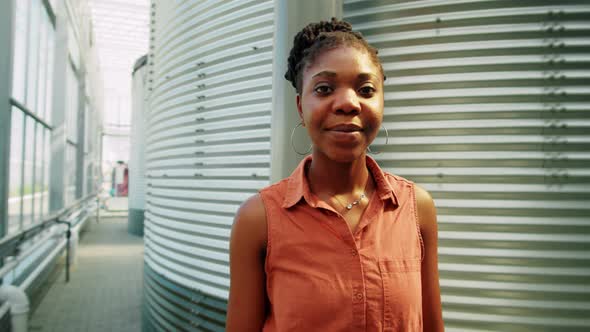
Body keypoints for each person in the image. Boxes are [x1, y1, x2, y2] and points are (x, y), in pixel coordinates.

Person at [226, 18, 444, 331]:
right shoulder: (258, 220)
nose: (347, 103)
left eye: (366, 89)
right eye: (325, 88)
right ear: (301, 107)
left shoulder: (416, 209)